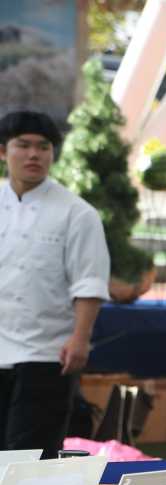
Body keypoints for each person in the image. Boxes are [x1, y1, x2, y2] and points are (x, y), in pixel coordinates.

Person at [0, 110, 110, 459]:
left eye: (43, 147)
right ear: (3, 152)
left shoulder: (78, 213)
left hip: (48, 352)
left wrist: (81, 339)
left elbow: (89, 282)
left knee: (30, 455)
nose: (34, 154)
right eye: (24, 145)